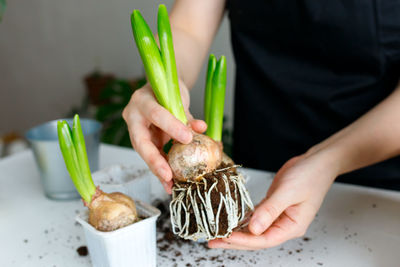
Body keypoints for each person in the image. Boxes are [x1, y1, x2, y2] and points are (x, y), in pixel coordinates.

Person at [123, 0, 400, 250]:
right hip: (257, 176)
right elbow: (188, 27)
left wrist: (327, 161)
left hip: (374, 187)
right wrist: (166, 88)